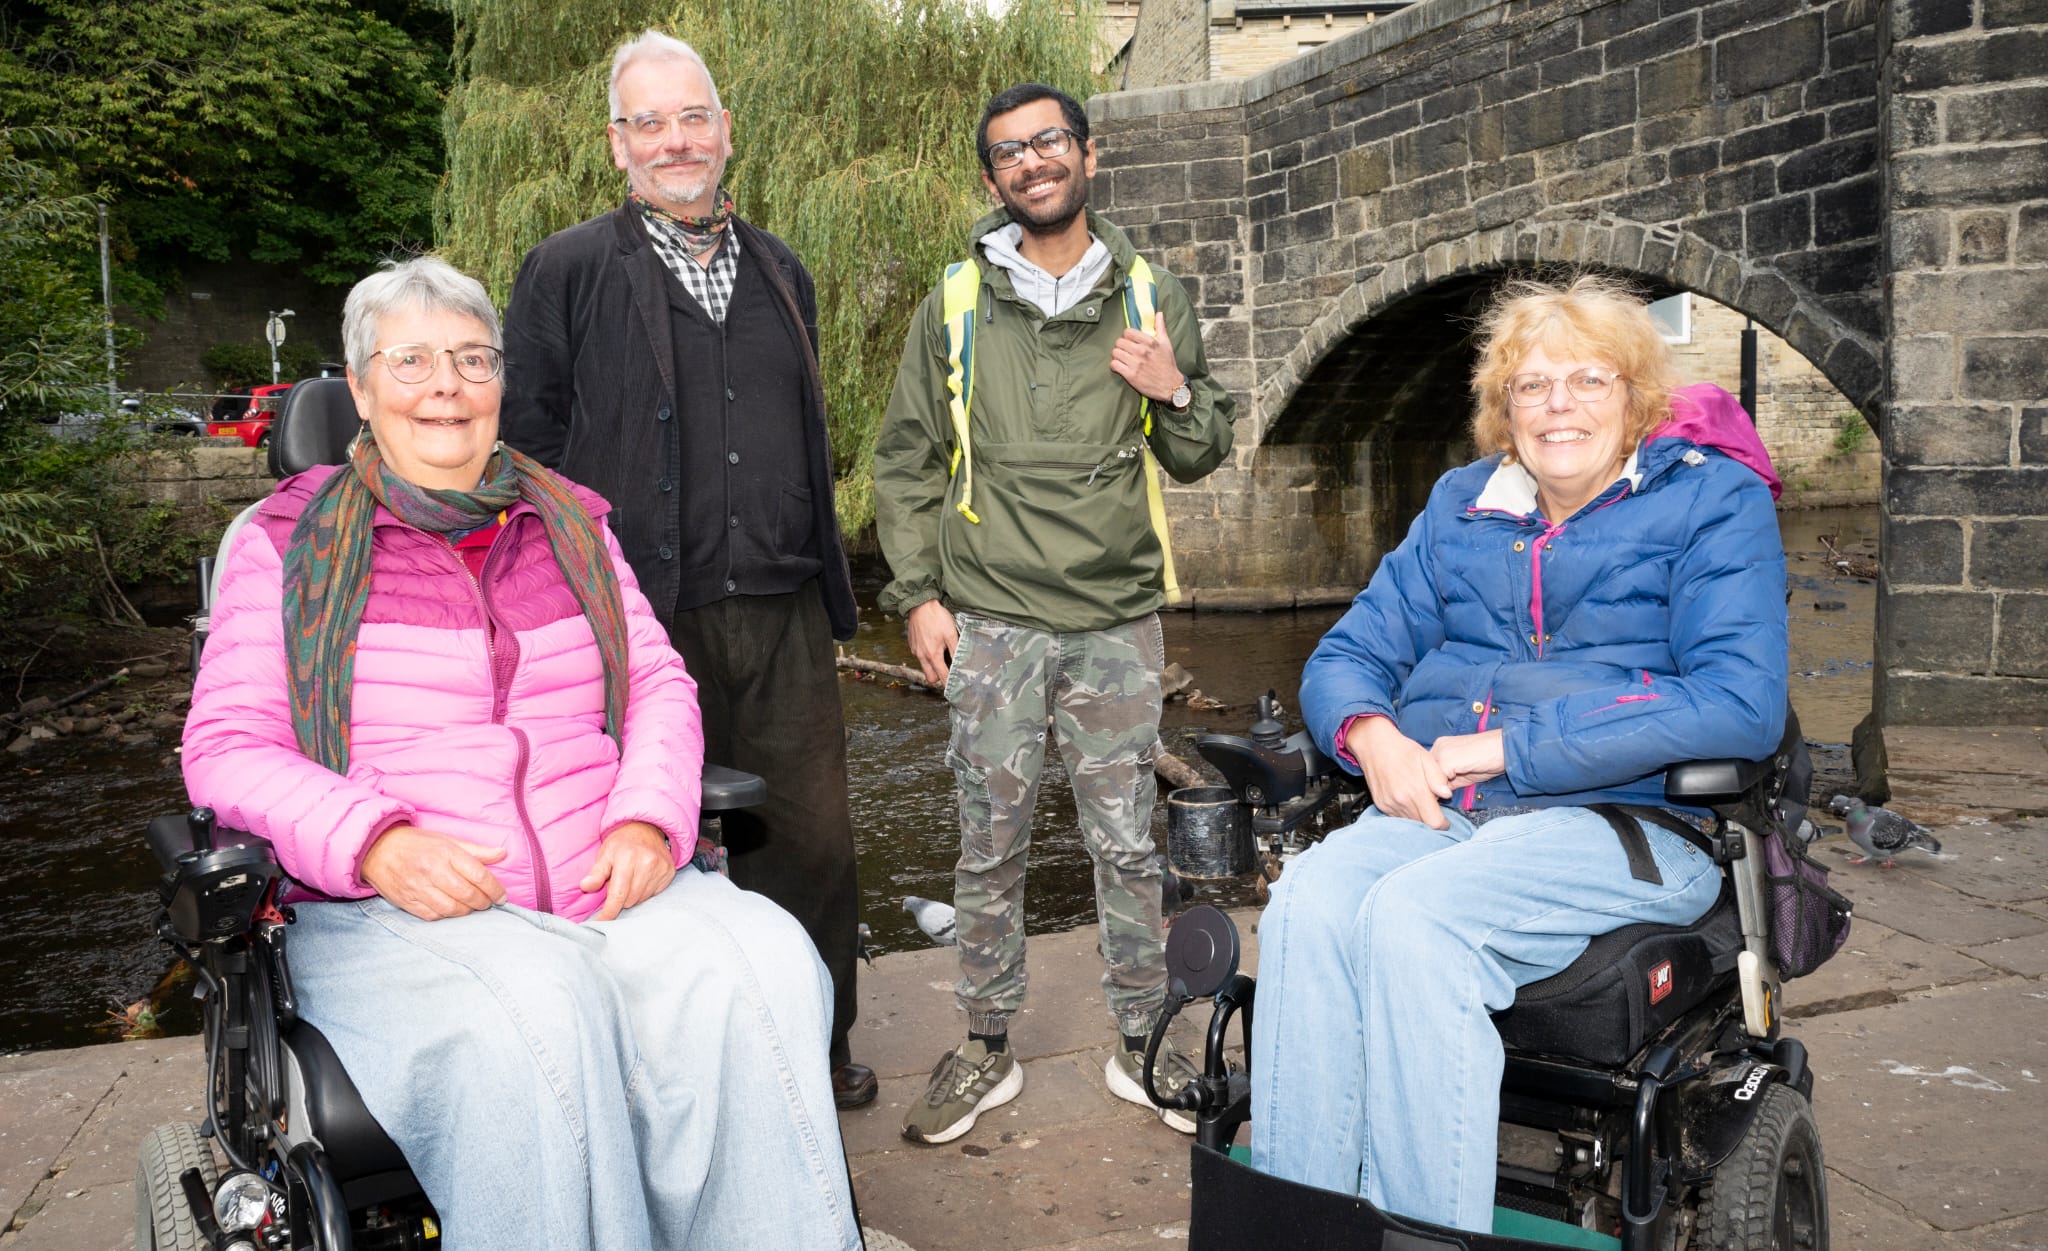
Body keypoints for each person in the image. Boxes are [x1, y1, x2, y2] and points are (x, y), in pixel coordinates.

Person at [182, 257, 863, 1250]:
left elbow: (662, 690)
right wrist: (374, 842)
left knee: (767, 966)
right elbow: (229, 751)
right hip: (399, 904)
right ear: (361, 390)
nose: (445, 386)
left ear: (503, 380)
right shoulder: (286, 545)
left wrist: (647, 816)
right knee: (541, 1014)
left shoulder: (571, 526)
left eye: (470, 358)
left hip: (599, 873)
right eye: (408, 362)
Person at [1249, 274, 1790, 1233]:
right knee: (1307, 903)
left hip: (1629, 819)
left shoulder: (1711, 500)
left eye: (1588, 380)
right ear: (1503, 408)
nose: (1559, 406)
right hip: (1449, 807)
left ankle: (1425, 1234)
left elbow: (1739, 703)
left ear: (1635, 396)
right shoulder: (1464, 506)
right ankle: (1307, 1227)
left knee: (1418, 922)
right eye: (1532, 386)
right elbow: (1345, 656)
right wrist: (1371, 736)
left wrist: (1510, 746)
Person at [499, 31, 874, 1108]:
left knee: (810, 846)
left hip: (783, 607)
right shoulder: (566, 270)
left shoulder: (781, 267)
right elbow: (525, 448)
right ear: (617, 146)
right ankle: (649, 1068)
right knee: (629, 844)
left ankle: (814, 1045)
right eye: (649, 123)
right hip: (632, 621)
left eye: (692, 116)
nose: (675, 140)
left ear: (725, 131)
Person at [872, 82, 1237, 1145]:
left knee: (1125, 844)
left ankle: (1138, 1037)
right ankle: (983, 1045)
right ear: (991, 180)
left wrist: (1172, 388)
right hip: (988, 621)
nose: (1030, 162)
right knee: (987, 846)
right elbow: (902, 462)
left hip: (1114, 623)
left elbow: (1199, 451)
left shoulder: (1150, 294)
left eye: (1047, 142)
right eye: (1007, 153)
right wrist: (916, 598)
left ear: (1086, 154)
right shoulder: (950, 303)